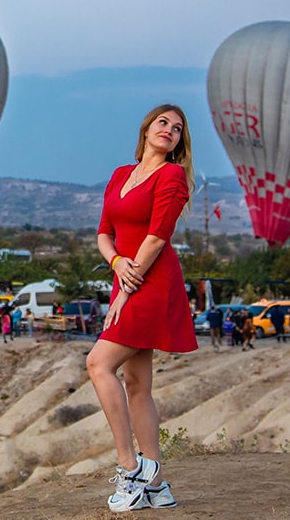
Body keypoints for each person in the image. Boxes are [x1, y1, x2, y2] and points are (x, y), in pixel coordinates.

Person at [85, 104, 196, 513]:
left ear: (180, 141)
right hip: (126, 275)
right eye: (163, 122)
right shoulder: (120, 175)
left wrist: (126, 290)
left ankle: (129, 467)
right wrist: (116, 264)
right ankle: (157, 486)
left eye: (178, 128)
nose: (169, 130)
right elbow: (103, 233)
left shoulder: (172, 176)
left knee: (98, 364)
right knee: (137, 385)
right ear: (147, 127)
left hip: (152, 283)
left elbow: (156, 238)